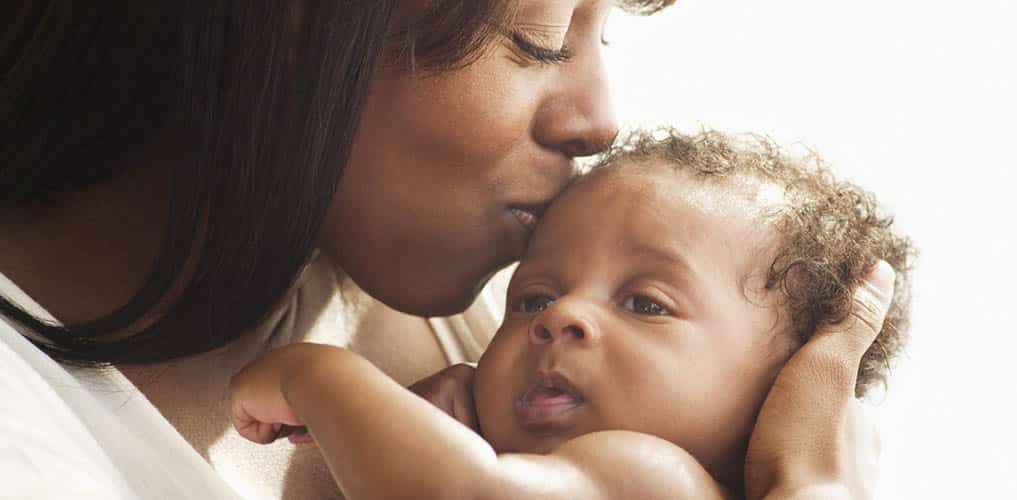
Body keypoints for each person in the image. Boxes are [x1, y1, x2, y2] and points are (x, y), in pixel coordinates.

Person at [0, 2, 891, 499]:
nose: (599, 120)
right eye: (538, 41)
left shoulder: (482, 315)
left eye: (602, 35)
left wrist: (323, 378)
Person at [229, 128, 915, 499]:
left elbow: (462, 494)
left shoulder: (652, 475)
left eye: (647, 304)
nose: (562, 319)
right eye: (534, 297)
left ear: (781, 392)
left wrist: (317, 376)